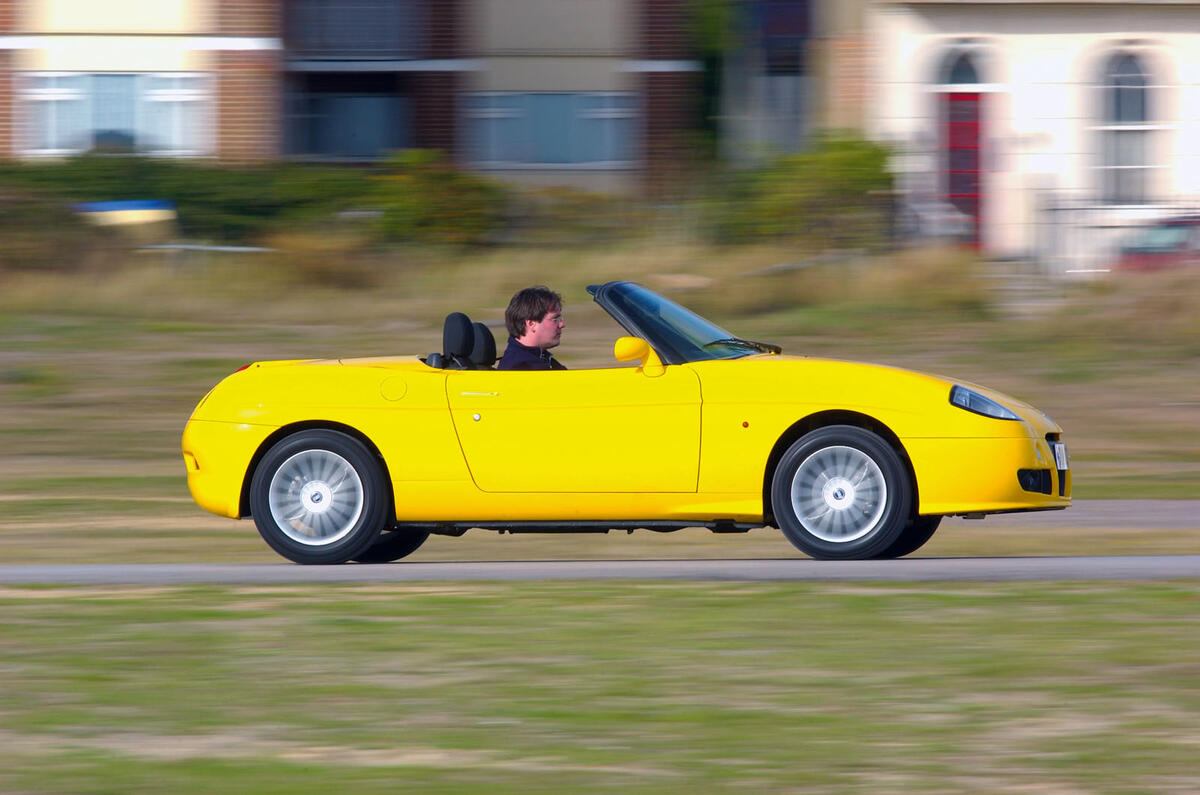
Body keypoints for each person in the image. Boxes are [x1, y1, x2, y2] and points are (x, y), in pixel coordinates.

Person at [497, 286, 568, 370]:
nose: (562, 324)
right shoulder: (522, 368)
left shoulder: (540, 359)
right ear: (531, 324)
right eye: (555, 319)